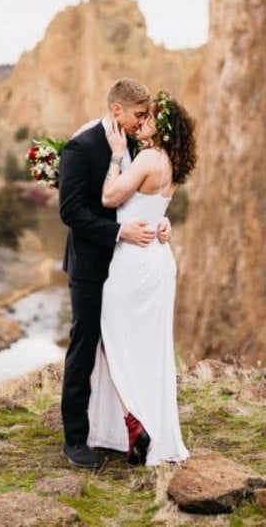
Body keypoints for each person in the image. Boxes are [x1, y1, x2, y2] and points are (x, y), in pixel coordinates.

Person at [55, 79, 167, 469]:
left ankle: (125, 429)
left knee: (122, 345)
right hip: (90, 264)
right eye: (138, 115)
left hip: (129, 267)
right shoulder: (80, 146)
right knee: (85, 345)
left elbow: (142, 197)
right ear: (116, 110)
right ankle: (75, 440)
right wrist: (119, 232)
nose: (143, 122)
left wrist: (161, 223)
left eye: (145, 115)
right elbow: (70, 212)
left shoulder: (135, 147)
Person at [84, 89, 194, 466]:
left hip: (132, 260)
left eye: (148, 118)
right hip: (159, 259)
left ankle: (135, 423)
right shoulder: (173, 162)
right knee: (149, 348)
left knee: (114, 339)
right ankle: (141, 426)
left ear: (158, 127)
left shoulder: (147, 157)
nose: (140, 122)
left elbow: (110, 198)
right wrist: (164, 223)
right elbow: (155, 208)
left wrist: (116, 155)